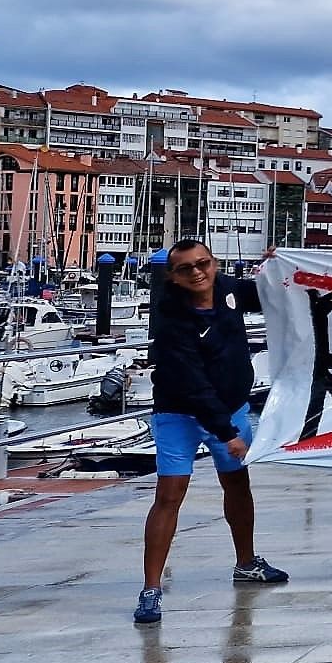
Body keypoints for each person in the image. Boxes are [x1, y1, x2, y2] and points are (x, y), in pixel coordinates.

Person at [134, 239, 287, 625]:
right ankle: (151, 588)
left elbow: (272, 293)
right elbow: (193, 382)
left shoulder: (229, 290)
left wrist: (278, 266)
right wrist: (226, 433)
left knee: (237, 483)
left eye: (203, 263)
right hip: (179, 413)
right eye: (186, 268)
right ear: (174, 275)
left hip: (231, 407)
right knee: (170, 495)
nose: (197, 272)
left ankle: (247, 562)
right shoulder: (171, 319)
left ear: (215, 263)